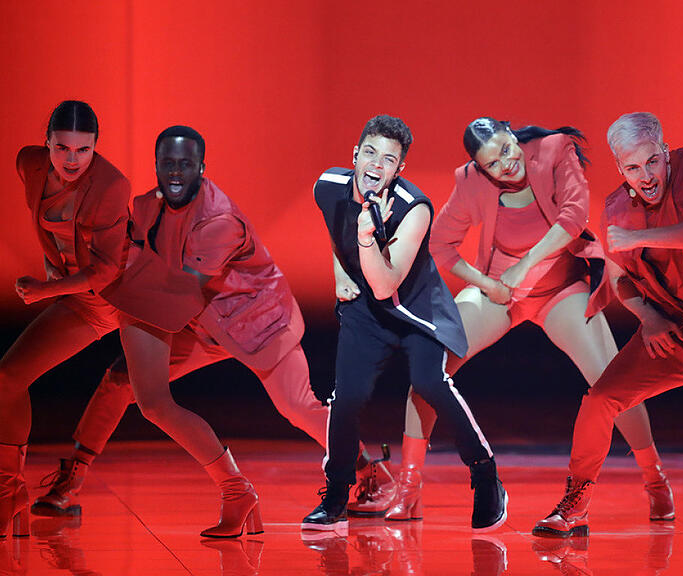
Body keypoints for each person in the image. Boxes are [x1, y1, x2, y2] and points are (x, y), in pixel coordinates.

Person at [30, 127, 393, 525]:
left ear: (201, 168)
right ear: (156, 166)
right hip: (202, 324)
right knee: (120, 381)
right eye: (167, 164)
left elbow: (176, 291)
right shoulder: (146, 207)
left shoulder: (219, 221)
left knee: (297, 406)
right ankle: (71, 481)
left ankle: (368, 470)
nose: (175, 173)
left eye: (185, 164)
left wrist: (98, 289)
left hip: (259, 324)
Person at [385, 117, 673, 523]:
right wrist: (486, 283)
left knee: (612, 381)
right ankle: (409, 487)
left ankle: (656, 480)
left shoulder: (555, 151)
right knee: (430, 366)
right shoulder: (470, 182)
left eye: (507, 149)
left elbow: (573, 217)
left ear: (512, 134)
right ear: (480, 168)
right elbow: (440, 244)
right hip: (502, 291)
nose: (507, 163)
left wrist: (523, 267)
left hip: (560, 288)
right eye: (493, 164)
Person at [533, 112, 683, 538]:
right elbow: (623, 282)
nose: (645, 176)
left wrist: (639, 238)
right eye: (633, 168)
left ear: (665, 151)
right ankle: (574, 505)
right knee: (601, 399)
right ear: (619, 168)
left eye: (652, 162)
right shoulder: (617, 209)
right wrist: (650, 317)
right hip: (675, 334)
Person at [303, 115, 506, 535]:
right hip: (365, 311)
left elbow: (386, 284)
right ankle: (337, 493)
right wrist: (340, 270)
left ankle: (485, 475)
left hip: (415, 310)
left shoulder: (415, 209)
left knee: (431, 382)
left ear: (399, 169)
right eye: (370, 153)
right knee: (346, 398)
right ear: (355, 155)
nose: (376, 165)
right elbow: (336, 232)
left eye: (388, 159)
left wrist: (366, 236)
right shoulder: (327, 186)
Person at [0, 101, 130, 538]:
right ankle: (10, 492)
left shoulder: (111, 185)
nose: (72, 160)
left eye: (83, 150)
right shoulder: (30, 164)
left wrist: (45, 288)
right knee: (7, 378)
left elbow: (106, 271)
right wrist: (55, 273)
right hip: (76, 296)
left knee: (144, 396)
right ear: (47, 143)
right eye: (62, 148)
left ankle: (237, 491)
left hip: (118, 298)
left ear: (96, 147)